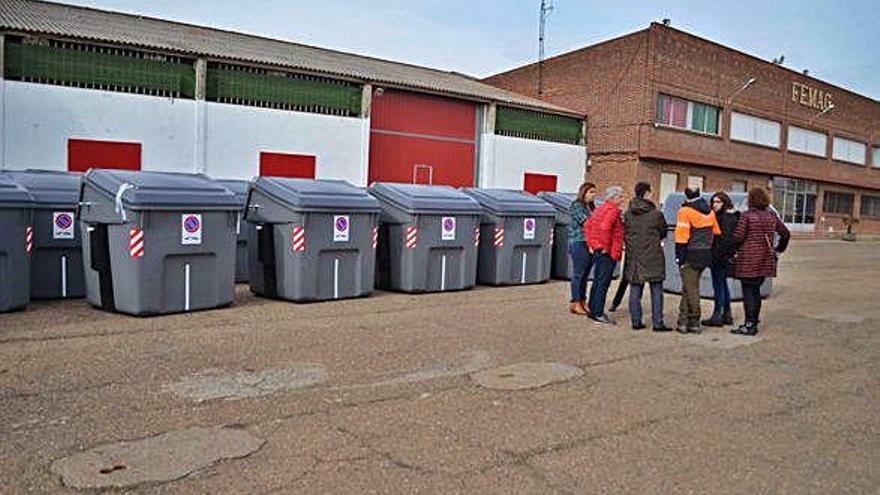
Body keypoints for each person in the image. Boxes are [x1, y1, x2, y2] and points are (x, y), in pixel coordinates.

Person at [731, 187, 790, 336]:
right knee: (756, 291)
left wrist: (734, 248)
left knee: (749, 293)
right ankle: (754, 320)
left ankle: (749, 325)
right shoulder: (772, 216)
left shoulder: (747, 216)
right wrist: (778, 249)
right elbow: (785, 233)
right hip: (765, 259)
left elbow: (738, 237)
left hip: (749, 259)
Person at [623, 182, 672, 332]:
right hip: (653, 255)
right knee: (656, 289)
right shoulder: (656, 214)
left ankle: (636, 321)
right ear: (646, 193)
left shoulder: (628, 214)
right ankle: (658, 323)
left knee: (635, 288)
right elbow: (663, 231)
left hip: (634, 255)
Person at [674, 187, 720, 333]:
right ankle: (683, 321)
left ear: (686, 197)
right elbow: (716, 232)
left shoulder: (685, 212)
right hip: (705, 255)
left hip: (690, 255)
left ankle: (694, 321)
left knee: (691, 289)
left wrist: (679, 259)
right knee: (689, 287)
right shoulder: (710, 212)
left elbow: (681, 237)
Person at [585, 186, 625, 324]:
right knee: (603, 283)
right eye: (620, 196)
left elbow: (588, 226)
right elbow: (605, 228)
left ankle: (592, 308)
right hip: (606, 252)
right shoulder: (612, 211)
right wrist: (606, 248)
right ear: (613, 198)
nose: (623, 198)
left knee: (597, 281)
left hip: (598, 249)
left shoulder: (600, 209)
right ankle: (598, 312)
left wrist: (592, 244)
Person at [702, 191, 740, 327]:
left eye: (718, 202)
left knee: (718, 286)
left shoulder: (723, 219)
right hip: (723, 256)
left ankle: (718, 314)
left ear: (724, 203)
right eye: (713, 201)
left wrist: (716, 255)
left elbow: (725, 240)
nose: (714, 204)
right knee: (723, 285)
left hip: (719, 257)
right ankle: (726, 314)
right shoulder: (727, 217)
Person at [568, 182, 598, 315]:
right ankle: (575, 302)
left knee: (585, 275)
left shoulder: (591, 207)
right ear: (584, 192)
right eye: (591, 192)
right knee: (578, 274)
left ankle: (582, 300)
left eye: (594, 192)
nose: (593, 195)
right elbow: (587, 223)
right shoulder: (576, 206)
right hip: (579, 242)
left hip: (590, 243)